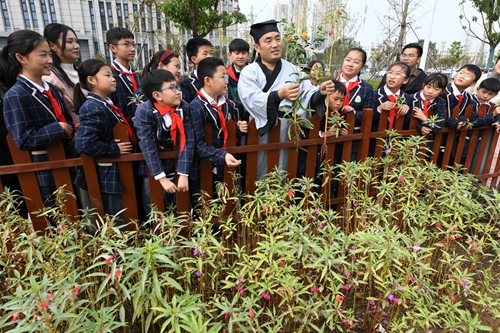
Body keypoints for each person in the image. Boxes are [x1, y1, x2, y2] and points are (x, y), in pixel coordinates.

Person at [239, 20, 335, 179]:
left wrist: (320, 92)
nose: (275, 44)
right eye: (268, 41)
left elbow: (307, 93)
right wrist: (278, 95)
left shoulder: (293, 69)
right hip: (260, 130)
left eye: (278, 38)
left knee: (286, 170)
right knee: (259, 170)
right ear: (257, 47)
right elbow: (251, 99)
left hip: (288, 131)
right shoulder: (249, 72)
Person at [1, 30, 75, 224]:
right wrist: (59, 129)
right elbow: (23, 138)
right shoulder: (15, 95)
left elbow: (67, 121)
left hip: (66, 162)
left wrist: (69, 129)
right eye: (42, 55)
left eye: (49, 54)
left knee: (75, 219)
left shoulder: (50, 89)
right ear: (21, 58)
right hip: (43, 171)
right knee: (54, 224)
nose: (49, 59)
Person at [74, 59, 134, 228]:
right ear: (91, 80)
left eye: (113, 75)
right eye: (107, 75)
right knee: (116, 224)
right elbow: (84, 143)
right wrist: (113, 148)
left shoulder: (105, 103)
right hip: (107, 175)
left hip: (115, 173)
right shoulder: (93, 106)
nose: (113, 78)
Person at [134, 69, 194, 216]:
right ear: (157, 95)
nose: (178, 91)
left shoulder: (184, 107)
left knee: (183, 210)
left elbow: (188, 140)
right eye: (172, 88)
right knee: (157, 211)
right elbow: (147, 146)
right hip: (154, 170)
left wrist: (184, 173)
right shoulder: (144, 111)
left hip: (177, 166)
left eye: (177, 86)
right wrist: (162, 178)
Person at [189, 57, 245, 188]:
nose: (227, 81)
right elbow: (197, 144)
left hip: (224, 166)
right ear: (208, 80)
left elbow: (223, 130)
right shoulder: (195, 107)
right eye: (222, 77)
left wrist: (238, 130)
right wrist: (222, 156)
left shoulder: (225, 103)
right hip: (204, 170)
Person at [334, 47, 374, 161]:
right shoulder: (331, 84)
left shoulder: (367, 88)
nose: (350, 64)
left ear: (362, 66)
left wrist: (354, 113)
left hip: (354, 139)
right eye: (348, 60)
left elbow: (371, 116)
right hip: (331, 136)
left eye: (356, 62)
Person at [43, 23, 81, 124]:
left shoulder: (81, 72)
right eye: (70, 42)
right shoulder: (51, 79)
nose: (76, 46)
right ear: (52, 46)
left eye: (76, 41)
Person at [106, 27, 141, 125]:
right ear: (113, 48)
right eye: (126, 44)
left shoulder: (137, 76)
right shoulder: (109, 76)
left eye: (133, 44)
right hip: (122, 131)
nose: (132, 49)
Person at [373, 62, 411, 131]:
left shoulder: (407, 98)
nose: (392, 77)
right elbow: (367, 119)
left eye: (398, 74)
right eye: (390, 72)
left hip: (397, 139)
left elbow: (408, 125)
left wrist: (407, 110)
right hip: (376, 139)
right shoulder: (374, 95)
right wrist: (379, 109)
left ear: (405, 80)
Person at [409, 73, 447, 137]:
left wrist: (425, 119)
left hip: (428, 140)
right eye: (428, 87)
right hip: (408, 138)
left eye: (436, 89)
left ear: (442, 91)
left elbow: (438, 126)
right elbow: (405, 121)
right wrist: (420, 127)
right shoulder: (411, 98)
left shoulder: (441, 102)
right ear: (424, 85)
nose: (430, 91)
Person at [180, 38, 213, 103]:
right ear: (194, 59)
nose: (210, 57)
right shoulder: (185, 84)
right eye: (205, 54)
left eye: (211, 53)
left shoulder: (218, 79)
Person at [226, 38, 250, 104]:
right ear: (229, 55)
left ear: (248, 54)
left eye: (244, 53)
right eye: (237, 53)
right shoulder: (225, 75)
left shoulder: (254, 73)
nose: (241, 56)